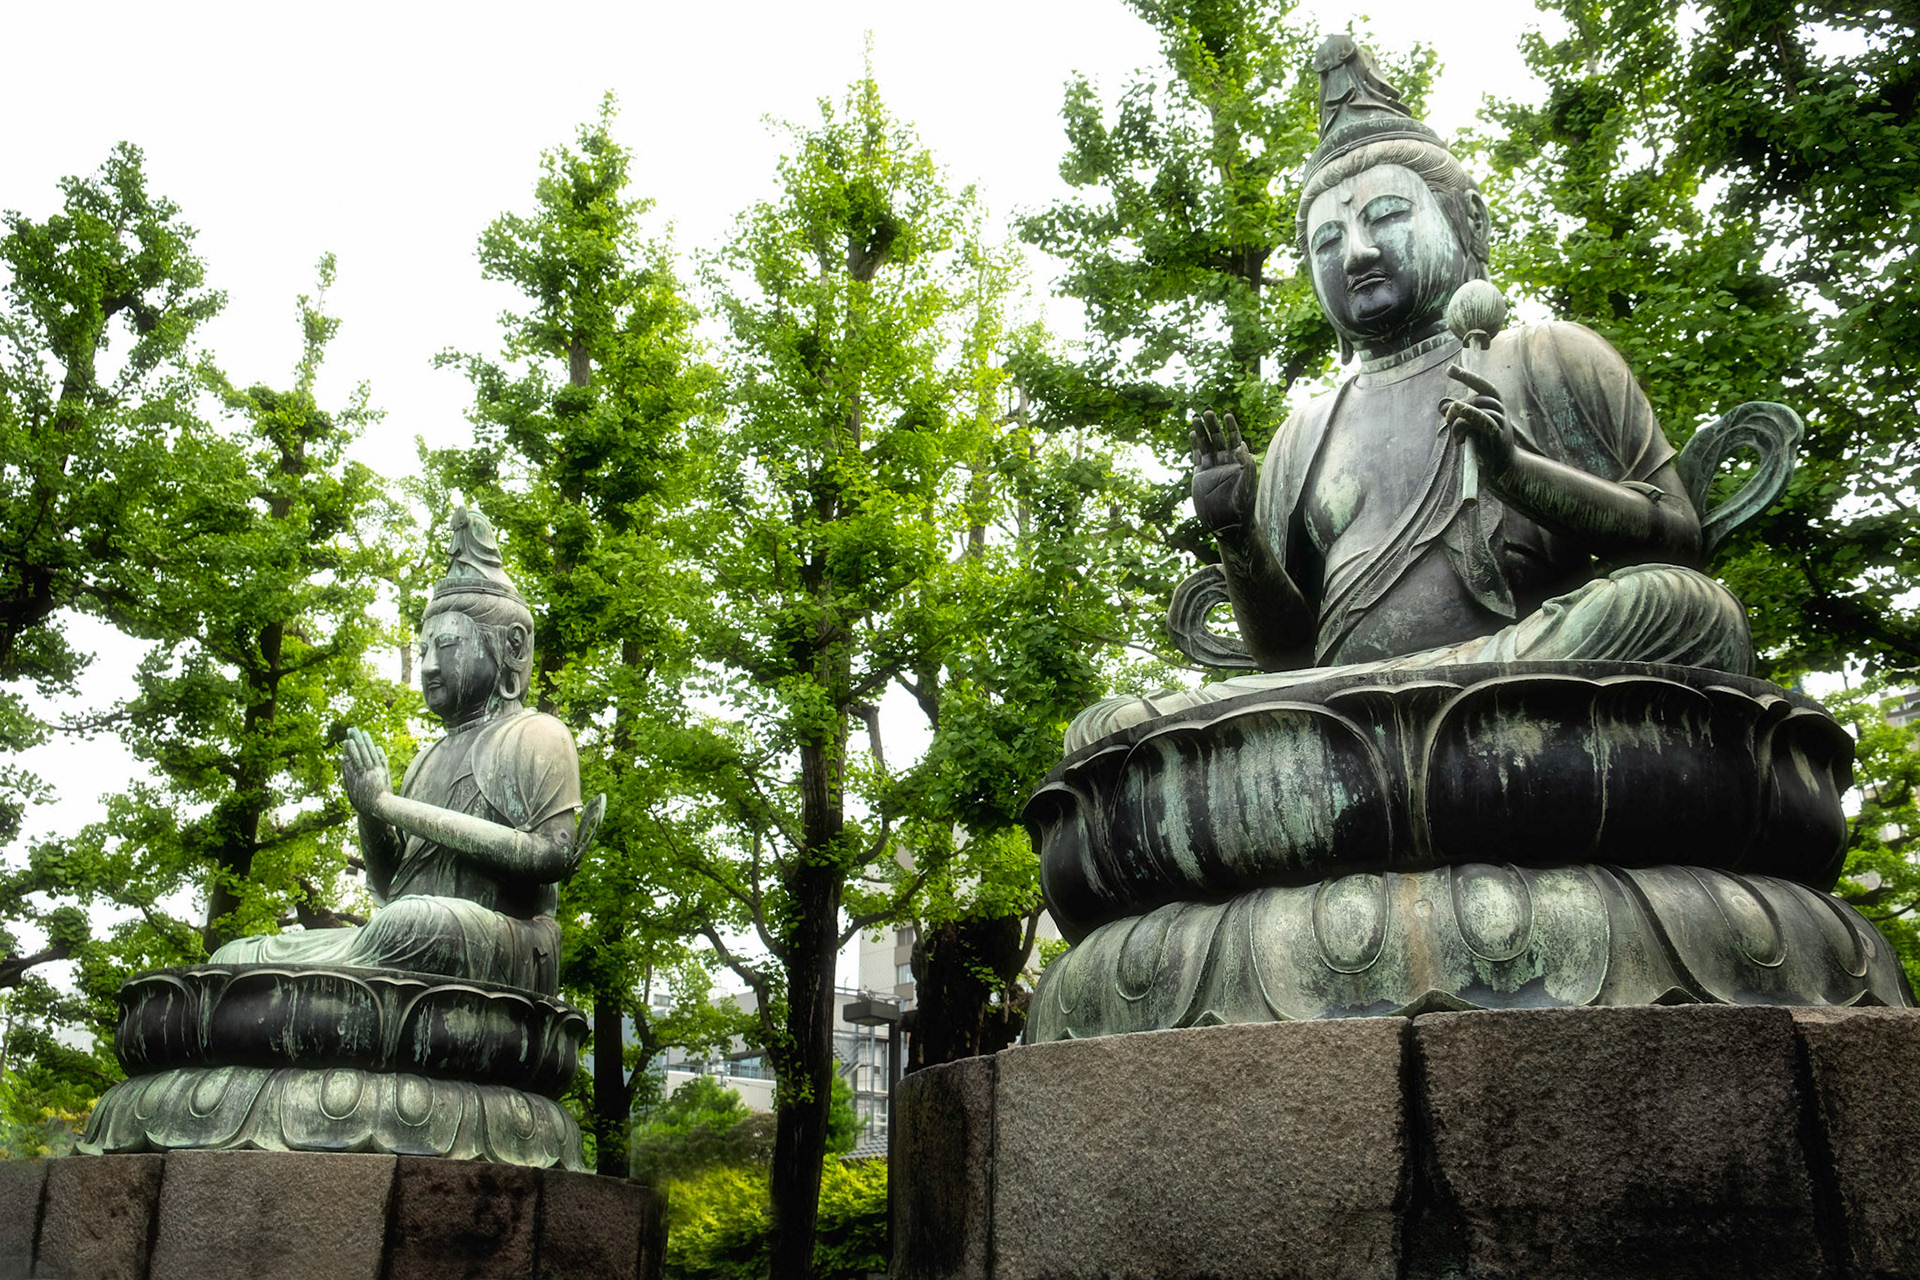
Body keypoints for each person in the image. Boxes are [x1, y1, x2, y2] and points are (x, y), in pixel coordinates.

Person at [1066, 36, 1749, 750]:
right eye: (1327, 240)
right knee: (1106, 731)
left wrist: (1520, 477)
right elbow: (1285, 658)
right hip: (1341, 705)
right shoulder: (1306, 430)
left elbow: (1678, 540)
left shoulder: (1548, 357)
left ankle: (1399, 754)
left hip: (1519, 673)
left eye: (1387, 216)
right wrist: (1238, 538)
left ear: (1471, 223)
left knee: (1677, 606)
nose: (1356, 252)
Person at [211, 508, 585, 995]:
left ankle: (331, 987)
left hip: (505, 946)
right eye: (423, 648)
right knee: (244, 955)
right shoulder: (427, 758)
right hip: (408, 939)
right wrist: (370, 813)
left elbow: (552, 856)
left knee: (414, 922)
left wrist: (391, 806)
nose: (429, 665)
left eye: (446, 646)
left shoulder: (537, 735)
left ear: (511, 647)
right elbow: (390, 887)